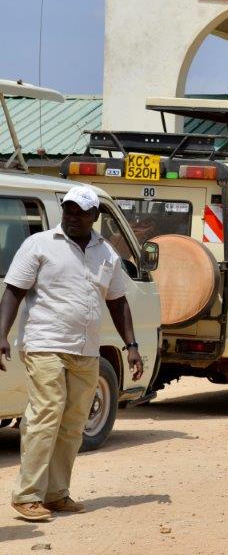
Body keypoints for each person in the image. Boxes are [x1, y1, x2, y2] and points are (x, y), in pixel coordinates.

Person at [0, 186, 144, 521]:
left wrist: (132, 346)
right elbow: (13, 293)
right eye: (68, 210)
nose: (72, 216)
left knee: (74, 422)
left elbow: (118, 301)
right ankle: (27, 496)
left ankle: (56, 493)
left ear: (95, 216)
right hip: (44, 343)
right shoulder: (39, 245)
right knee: (46, 412)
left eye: (80, 212)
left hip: (86, 350)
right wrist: (1, 335)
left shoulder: (106, 253)